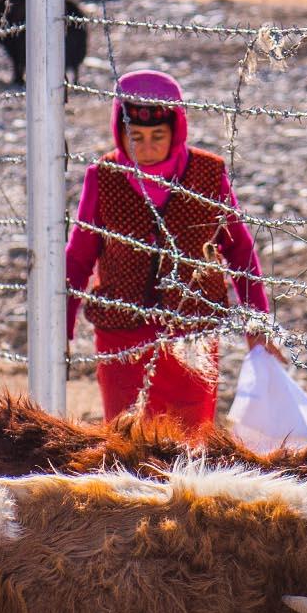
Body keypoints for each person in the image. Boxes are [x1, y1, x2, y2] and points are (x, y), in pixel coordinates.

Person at [63, 68, 270, 435]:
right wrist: (60, 326)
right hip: (121, 334)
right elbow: (79, 256)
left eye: (158, 136)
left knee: (189, 438)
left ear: (177, 131)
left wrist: (258, 322)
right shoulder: (103, 176)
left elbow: (239, 250)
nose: (146, 147)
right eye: (135, 136)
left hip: (191, 334)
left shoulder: (209, 174)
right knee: (127, 437)